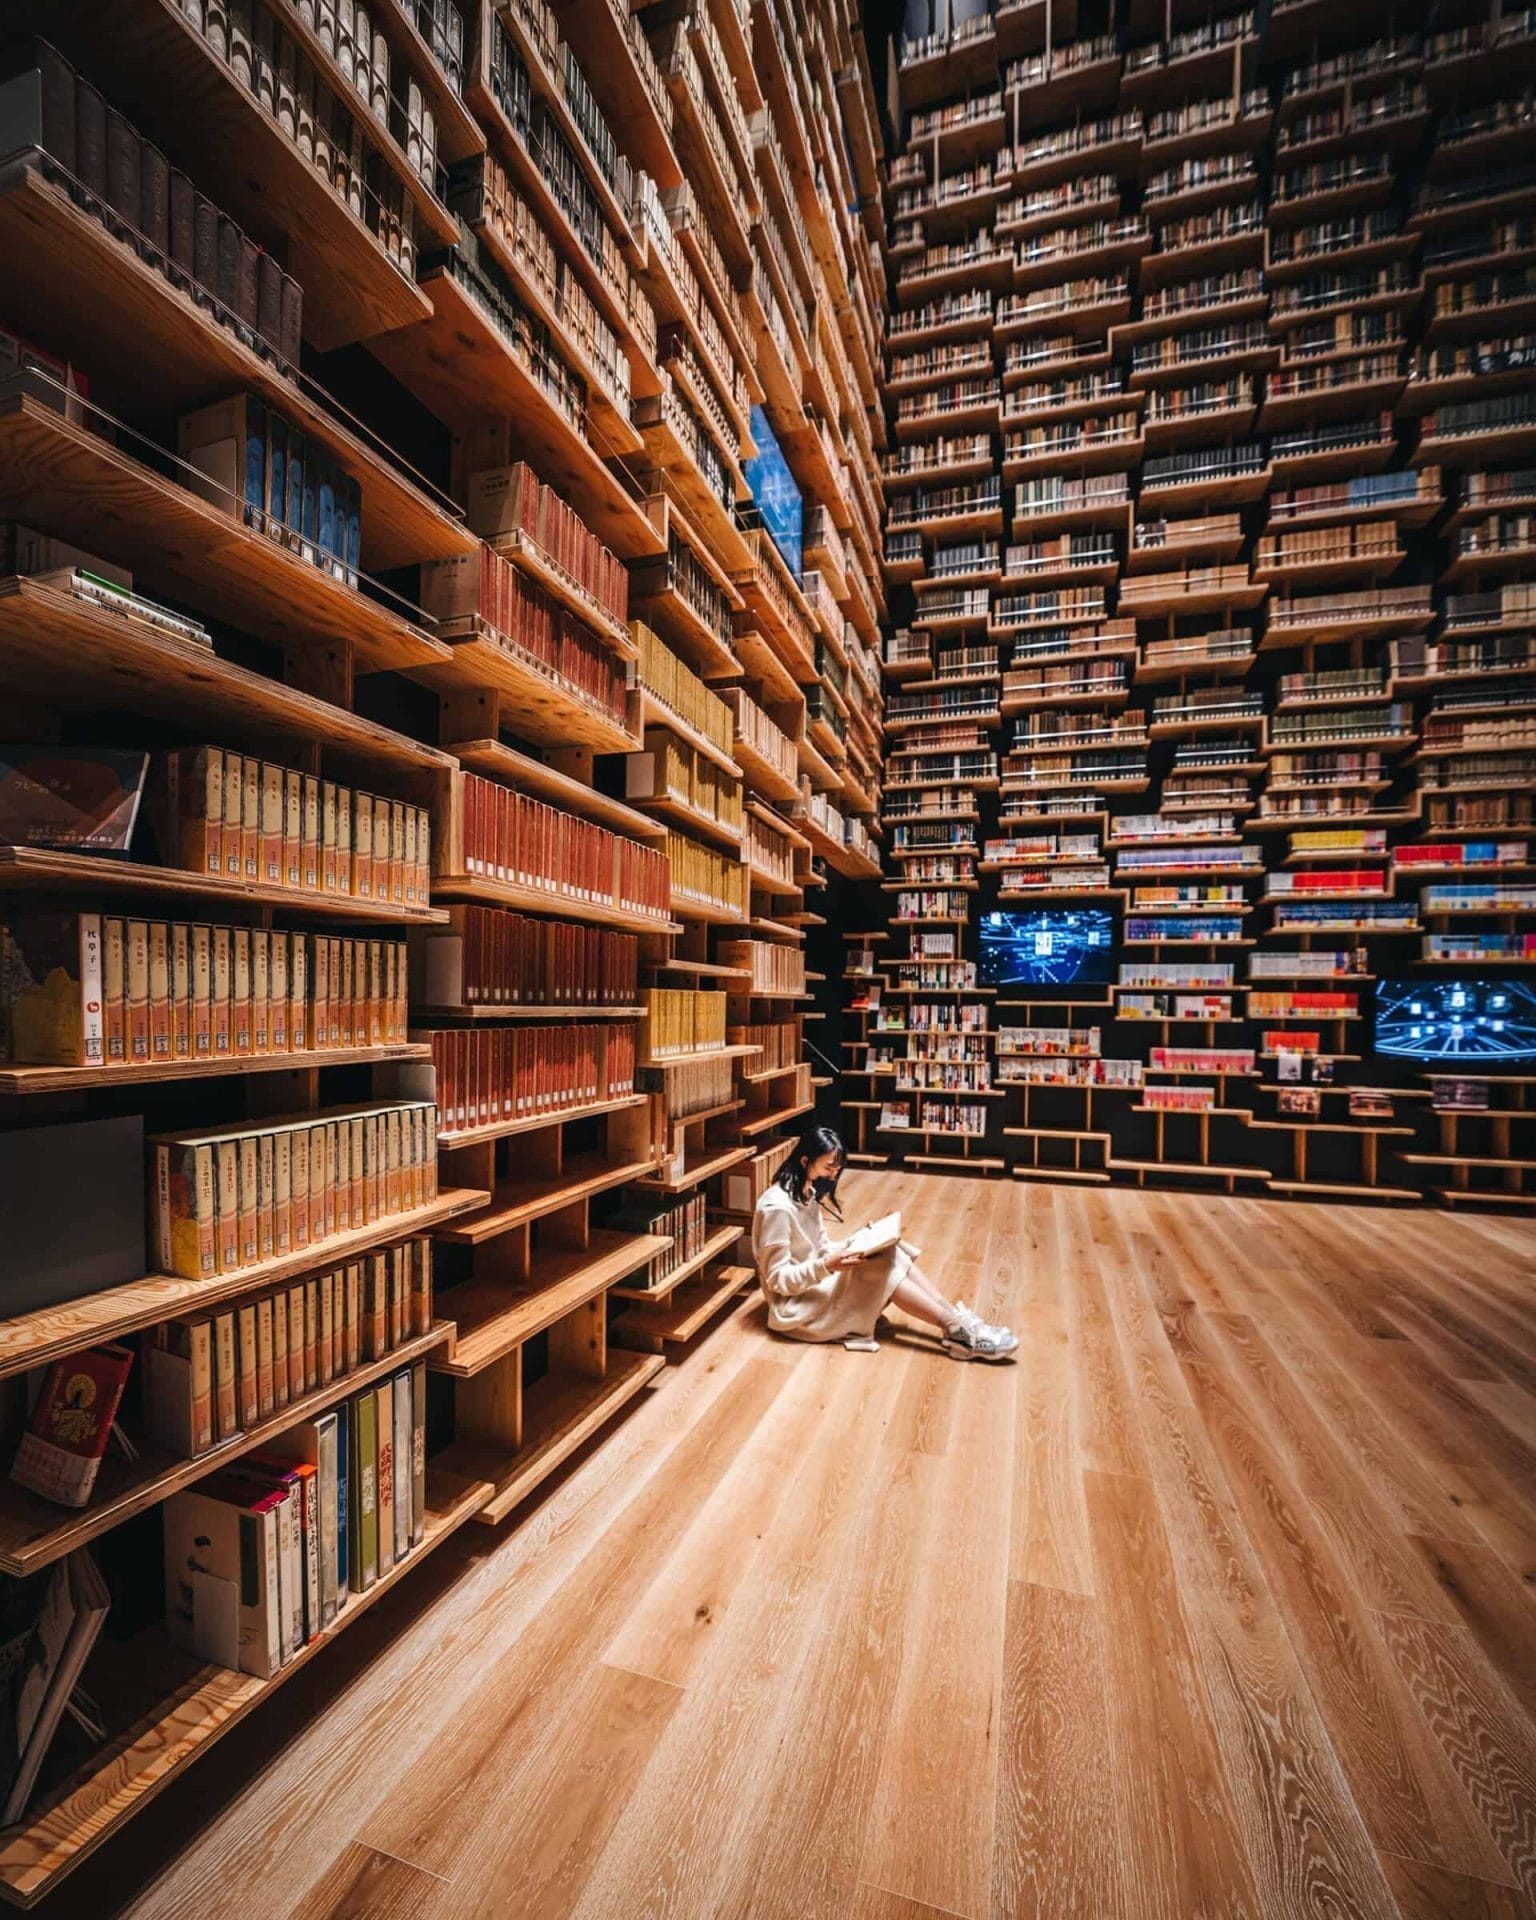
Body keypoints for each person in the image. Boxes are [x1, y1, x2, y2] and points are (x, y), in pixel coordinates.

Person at [751, 1126, 1019, 1361]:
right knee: (881, 1269)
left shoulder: (805, 1190)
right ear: (805, 1160)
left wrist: (859, 1240)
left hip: (816, 1281)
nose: (833, 1176)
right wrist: (827, 1265)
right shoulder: (777, 1208)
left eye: (837, 1169)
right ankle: (956, 1330)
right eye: (828, 1168)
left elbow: (820, 1246)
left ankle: (956, 1320)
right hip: (795, 1308)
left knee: (889, 1249)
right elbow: (777, 1280)